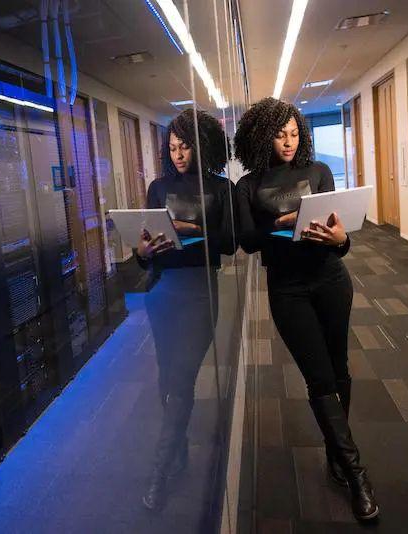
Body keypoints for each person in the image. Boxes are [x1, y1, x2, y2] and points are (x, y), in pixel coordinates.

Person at [233, 97, 379, 521]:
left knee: (339, 369)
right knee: (318, 379)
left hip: (331, 279)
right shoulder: (248, 185)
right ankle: (356, 475)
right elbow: (247, 240)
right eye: (280, 134)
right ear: (263, 136)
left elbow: (341, 235)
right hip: (287, 288)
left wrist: (341, 241)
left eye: (295, 133)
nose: (289, 142)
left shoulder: (319, 172)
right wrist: (281, 223)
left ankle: (336, 455)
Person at [136, 109, 235, 510]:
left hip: (199, 293)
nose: (178, 154)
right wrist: (142, 252)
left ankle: (160, 471)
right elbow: (145, 252)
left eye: (185, 146)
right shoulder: (157, 188)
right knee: (167, 379)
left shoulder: (220, 187)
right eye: (173, 147)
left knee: (182, 379)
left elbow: (229, 245)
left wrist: (193, 230)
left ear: (201, 144)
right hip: (162, 292)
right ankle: (178, 450)